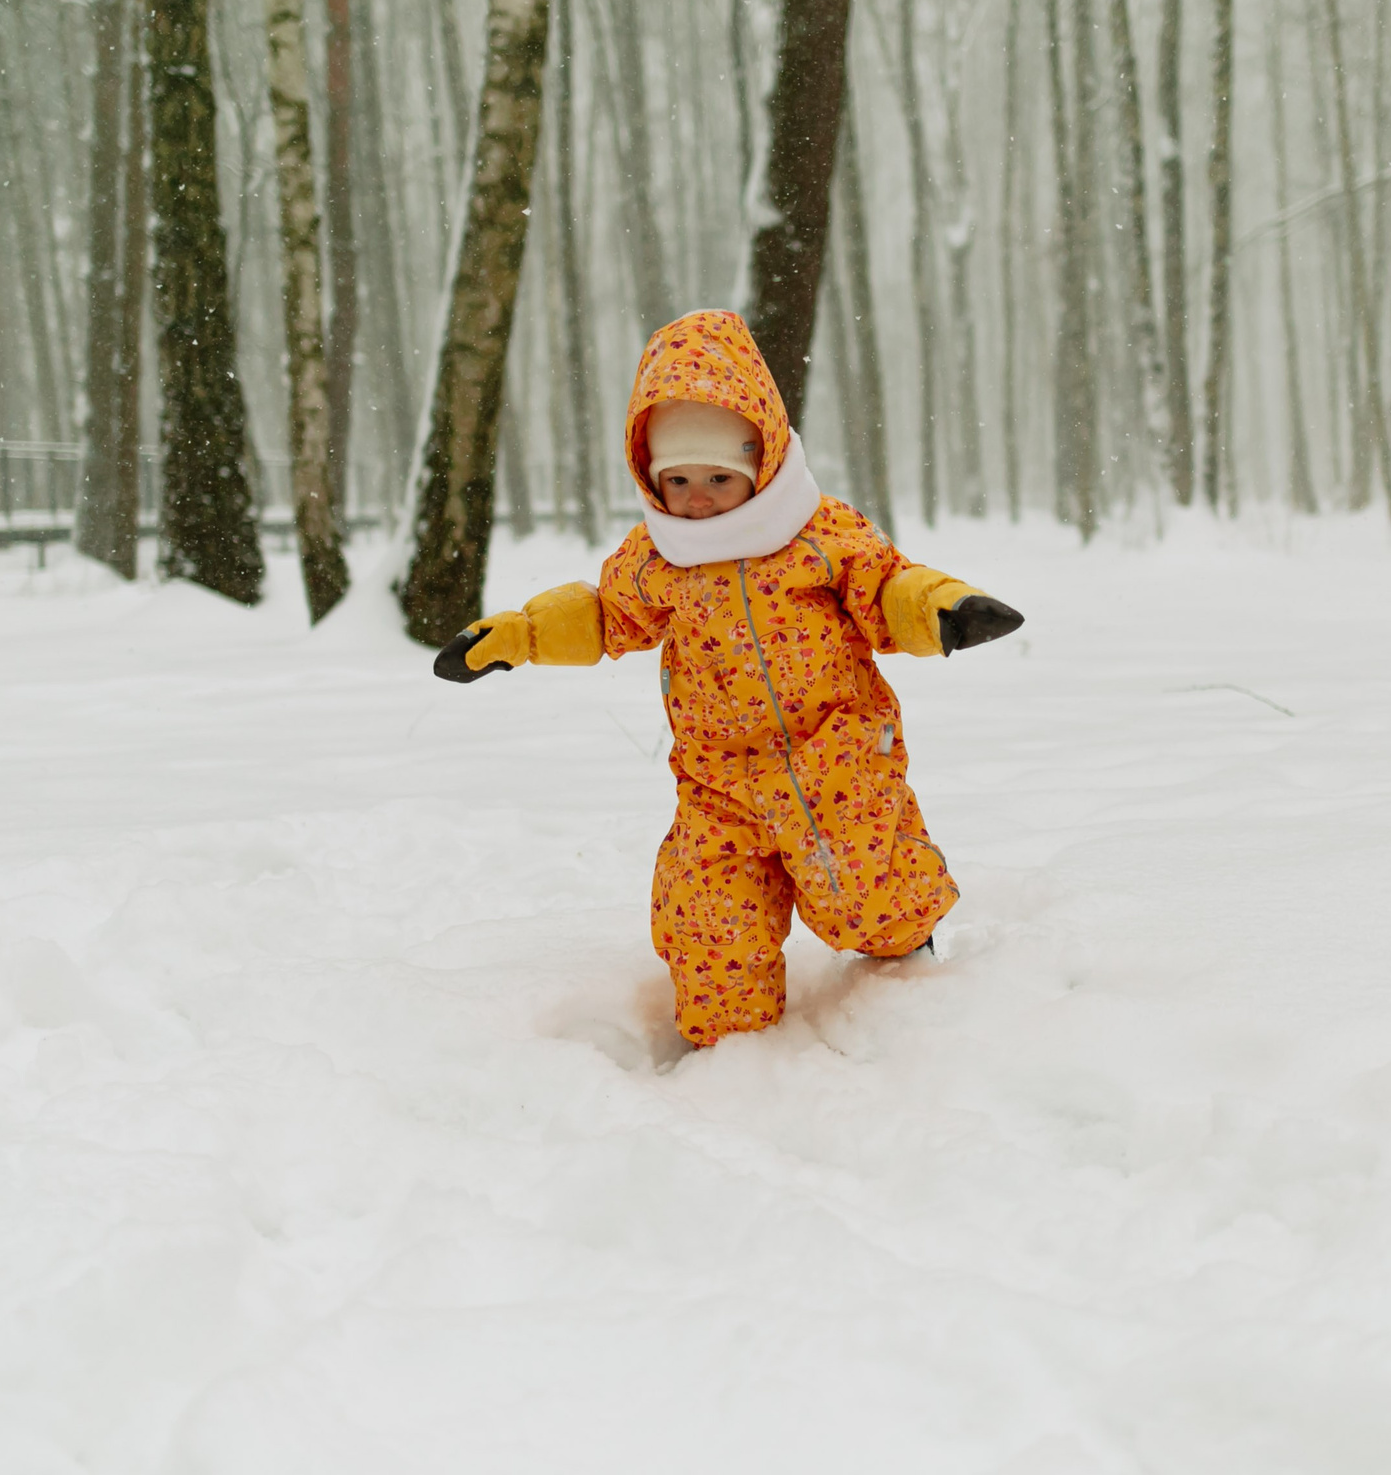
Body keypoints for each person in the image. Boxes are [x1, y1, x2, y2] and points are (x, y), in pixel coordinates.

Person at [435, 309, 1023, 1047]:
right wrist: (516, 636)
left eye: (719, 476)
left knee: (876, 884)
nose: (700, 498)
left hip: (834, 754)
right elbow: (601, 616)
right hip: (720, 785)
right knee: (709, 923)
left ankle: (907, 962)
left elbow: (886, 589)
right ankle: (724, 1046)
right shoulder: (657, 559)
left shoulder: (819, 535)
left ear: (762, 462)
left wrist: (943, 609)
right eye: (678, 480)